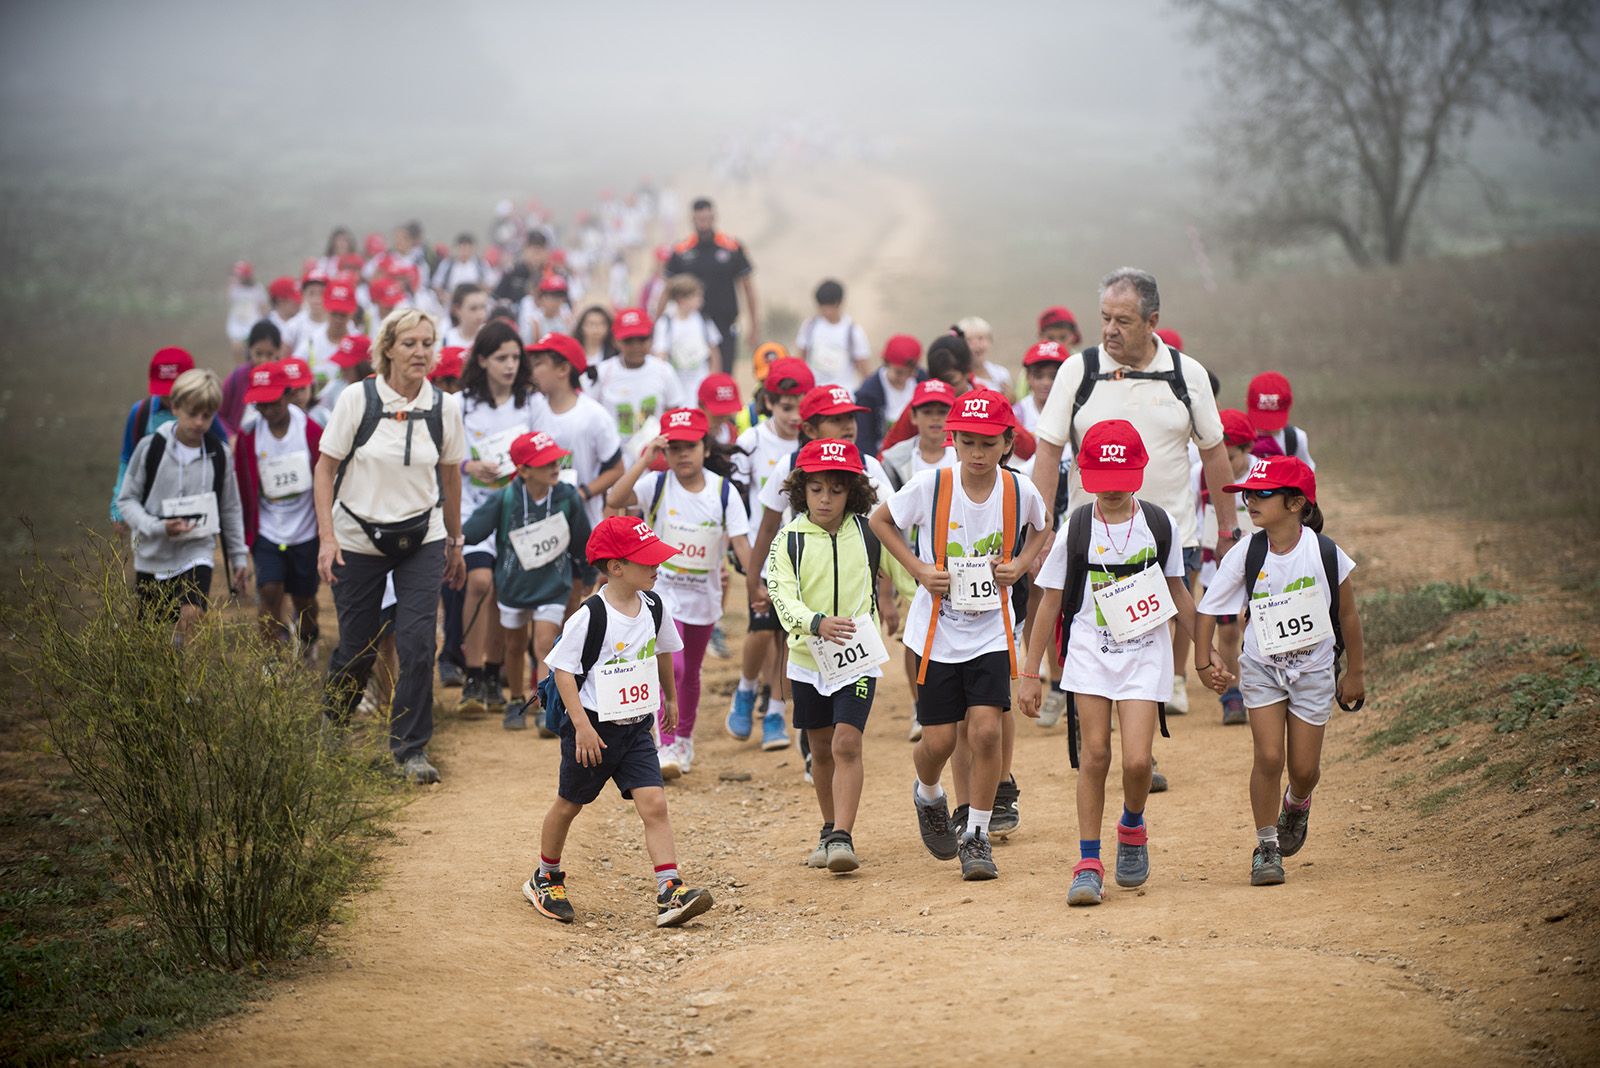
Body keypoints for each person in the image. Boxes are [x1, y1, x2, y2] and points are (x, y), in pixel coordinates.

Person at [1029, 268, 1240, 740]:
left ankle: (1141, 752)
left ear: (1153, 321)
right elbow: (1048, 451)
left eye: (1122, 320)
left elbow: (1214, 453)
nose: (1109, 330)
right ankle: (1103, 744)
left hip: (1170, 539)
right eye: (1104, 318)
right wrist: (1043, 532)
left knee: (1152, 648)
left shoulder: (1187, 375)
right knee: (1100, 645)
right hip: (1093, 540)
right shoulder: (1077, 371)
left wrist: (1228, 533)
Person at [1018, 420, 1201, 906]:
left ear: (1139, 473)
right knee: (1094, 754)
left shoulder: (1159, 524)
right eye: (1102, 478)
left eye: (1121, 477)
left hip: (1145, 652)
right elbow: (1049, 604)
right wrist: (1030, 672)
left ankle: (1132, 823)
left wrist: (1205, 651)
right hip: (1089, 654)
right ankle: (1088, 861)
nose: (1113, 488)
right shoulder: (1077, 528)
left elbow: (1178, 591)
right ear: (1086, 475)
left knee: (1139, 760)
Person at [871, 389, 1048, 882]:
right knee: (940, 740)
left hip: (992, 629)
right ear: (953, 441)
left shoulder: (1018, 490)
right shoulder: (931, 485)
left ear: (1008, 443)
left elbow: (1042, 527)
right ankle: (928, 792)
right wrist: (919, 571)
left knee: (987, 730)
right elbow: (880, 520)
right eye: (966, 442)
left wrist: (1019, 565)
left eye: (987, 444)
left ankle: (977, 834)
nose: (976, 453)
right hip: (936, 635)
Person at [524, 516, 715, 929]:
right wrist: (582, 727)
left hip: (636, 727)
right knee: (570, 803)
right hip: (593, 728)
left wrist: (671, 697)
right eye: (647, 561)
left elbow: (665, 651)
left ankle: (670, 888)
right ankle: (545, 876)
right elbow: (562, 671)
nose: (656, 567)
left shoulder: (654, 605)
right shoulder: (589, 616)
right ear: (616, 567)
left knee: (655, 804)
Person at [313, 307, 467, 785]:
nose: (420, 352)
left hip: (422, 536)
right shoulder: (357, 400)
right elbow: (325, 470)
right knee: (358, 647)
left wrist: (456, 542)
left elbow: (451, 476)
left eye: (427, 343)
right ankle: (331, 726)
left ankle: (410, 749)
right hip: (358, 536)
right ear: (387, 349)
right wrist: (327, 537)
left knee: (420, 642)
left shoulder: (445, 408)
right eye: (409, 343)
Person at [1196, 455, 1364, 886]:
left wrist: (1356, 674)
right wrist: (1203, 657)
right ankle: (1267, 846)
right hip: (1262, 668)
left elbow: (1348, 616)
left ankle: (1298, 803)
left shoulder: (1325, 553)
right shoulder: (1247, 552)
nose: (1250, 500)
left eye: (1262, 494)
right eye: (1248, 493)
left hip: (1313, 670)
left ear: (1295, 504)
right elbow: (1209, 607)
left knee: (1304, 769)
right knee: (1269, 756)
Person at [745, 383, 897, 755]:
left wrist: (889, 597)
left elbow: (889, 531)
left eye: (851, 418)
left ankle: (836, 742)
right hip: (804, 579)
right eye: (836, 420)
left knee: (845, 710)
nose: (848, 426)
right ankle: (799, 726)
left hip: (853, 595)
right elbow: (768, 525)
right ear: (810, 429)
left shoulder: (868, 465)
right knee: (798, 651)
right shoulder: (790, 464)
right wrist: (754, 579)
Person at [767, 439, 889, 873]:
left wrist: (929, 592)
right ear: (802, 490)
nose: (825, 498)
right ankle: (828, 826)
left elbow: (906, 573)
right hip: (806, 659)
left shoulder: (870, 532)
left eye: (835, 490)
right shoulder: (789, 540)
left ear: (852, 492)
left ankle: (842, 836)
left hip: (858, 657)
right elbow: (781, 598)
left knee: (846, 742)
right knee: (819, 748)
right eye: (816, 488)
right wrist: (815, 622)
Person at [606, 408, 750, 777]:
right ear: (665, 453)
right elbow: (614, 497)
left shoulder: (723, 492)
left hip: (703, 599)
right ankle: (664, 744)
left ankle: (684, 738)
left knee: (692, 672)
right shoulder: (656, 485)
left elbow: (740, 543)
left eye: (690, 446)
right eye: (674, 448)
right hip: (661, 596)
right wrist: (645, 460)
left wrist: (756, 580)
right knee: (675, 666)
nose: (682, 455)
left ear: (704, 448)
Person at [461, 430, 592, 731]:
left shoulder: (567, 496)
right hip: (513, 585)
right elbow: (473, 531)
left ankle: (546, 705)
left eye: (556, 461)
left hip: (552, 584)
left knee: (545, 641)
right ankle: (515, 698)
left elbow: (582, 539)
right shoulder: (505, 498)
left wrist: (586, 574)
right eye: (545, 463)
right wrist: (451, 545)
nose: (554, 467)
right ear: (523, 470)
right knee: (515, 643)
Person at [116, 368, 249, 641]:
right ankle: (167, 670)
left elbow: (230, 508)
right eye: (192, 414)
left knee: (191, 614)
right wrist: (158, 527)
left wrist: (238, 556)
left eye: (207, 416)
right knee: (151, 636)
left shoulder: (219, 455)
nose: (199, 423)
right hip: (152, 555)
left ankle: (178, 658)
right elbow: (127, 500)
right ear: (175, 407)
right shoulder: (150, 448)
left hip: (196, 549)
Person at [728, 358, 813, 744]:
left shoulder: (810, 445)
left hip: (800, 553)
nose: (793, 416)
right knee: (761, 628)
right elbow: (736, 500)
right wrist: (746, 559)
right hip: (757, 550)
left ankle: (777, 711)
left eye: (801, 406)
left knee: (788, 635)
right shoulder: (751, 443)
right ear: (769, 402)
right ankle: (746, 690)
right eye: (785, 406)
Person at [456, 321, 537, 719]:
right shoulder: (461, 405)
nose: (509, 365)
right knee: (479, 582)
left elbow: (545, 450)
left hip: (518, 511)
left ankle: (492, 672)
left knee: (506, 594)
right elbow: (444, 456)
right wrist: (470, 464)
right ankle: (471, 673)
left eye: (515, 358)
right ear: (482, 359)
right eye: (501, 357)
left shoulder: (529, 404)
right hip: (473, 507)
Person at [234, 360, 323, 658]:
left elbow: (326, 476)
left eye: (272, 402)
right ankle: (270, 659)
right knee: (270, 590)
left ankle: (309, 637)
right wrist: (246, 535)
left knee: (304, 597)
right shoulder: (248, 438)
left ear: (287, 395)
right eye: (260, 405)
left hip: (306, 528)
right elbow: (242, 487)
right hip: (268, 528)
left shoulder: (310, 431)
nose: (267, 411)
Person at [1201, 409, 1262, 726]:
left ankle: (1264, 689)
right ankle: (1232, 695)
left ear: (1247, 450)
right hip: (1219, 568)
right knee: (1226, 628)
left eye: (1232, 457)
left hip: (1261, 569)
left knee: (1259, 625)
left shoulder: (1261, 476)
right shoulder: (1203, 474)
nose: (1225, 464)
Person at [527, 332, 624, 530]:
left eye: (539, 365)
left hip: (582, 523)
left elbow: (617, 469)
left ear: (563, 369)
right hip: (538, 521)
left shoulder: (594, 415)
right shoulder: (532, 409)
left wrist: (582, 493)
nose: (533, 372)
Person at [659, 197, 757, 366]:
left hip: (725, 323)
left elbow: (748, 288)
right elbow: (668, 290)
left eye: (706, 218)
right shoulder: (681, 250)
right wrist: (658, 322)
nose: (703, 222)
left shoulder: (732, 247)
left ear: (714, 217)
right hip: (691, 323)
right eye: (699, 218)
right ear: (692, 219)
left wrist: (754, 325)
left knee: (724, 377)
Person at [111, 346, 195, 530]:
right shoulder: (141, 413)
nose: (169, 396)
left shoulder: (203, 415)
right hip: (149, 510)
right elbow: (127, 459)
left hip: (193, 508)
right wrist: (118, 508)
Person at [593, 308, 682, 447]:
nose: (636, 346)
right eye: (628, 340)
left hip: (653, 455)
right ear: (616, 341)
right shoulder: (603, 372)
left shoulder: (664, 371)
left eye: (642, 339)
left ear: (651, 339)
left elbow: (674, 412)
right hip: (615, 456)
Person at [853, 334, 924, 459]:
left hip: (917, 453)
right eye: (899, 372)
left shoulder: (921, 380)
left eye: (910, 373)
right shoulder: (869, 393)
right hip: (884, 456)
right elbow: (865, 439)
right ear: (886, 364)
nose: (903, 378)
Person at [652, 274, 722, 398]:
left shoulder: (703, 321)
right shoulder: (666, 323)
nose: (701, 300)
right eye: (696, 296)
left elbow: (714, 352)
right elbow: (660, 354)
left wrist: (713, 378)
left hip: (700, 382)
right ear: (681, 299)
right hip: (676, 383)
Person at [880, 378, 957, 489]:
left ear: (952, 415)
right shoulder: (894, 459)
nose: (935, 418)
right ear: (913, 416)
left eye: (942, 412)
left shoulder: (964, 456)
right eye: (927, 412)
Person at [796, 279, 871, 390]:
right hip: (815, 392)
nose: (826, 311)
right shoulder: (809, 326)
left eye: (830, 306)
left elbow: (863, 368)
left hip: (844, 394)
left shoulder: (853, 332)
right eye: (822, 306)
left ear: (839, 303)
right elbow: (800, 359)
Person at [219, 320, 283, 440]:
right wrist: (231, 437)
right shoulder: (237, 377)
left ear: (278, 352)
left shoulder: (283, 381)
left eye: (269, 355)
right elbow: (220, 414)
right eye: (258, 354)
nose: (263, 360)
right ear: (249, 349)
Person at [295, 278, 359, 389]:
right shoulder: (311, 342)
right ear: (326, 308)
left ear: (352, 312)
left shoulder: (359, 343)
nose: (338, 319)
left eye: (343, 314)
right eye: (334, 313)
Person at [1247, 371, 1315, 467]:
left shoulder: (1294, 439)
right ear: (1246, 403)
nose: (1266, 428)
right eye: (1261, 419)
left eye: (1273, 420)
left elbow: (1307, 475)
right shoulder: (1238, 437)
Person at [1013, 340, 1066, 433]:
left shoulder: (1074, 411)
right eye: (1038, 376)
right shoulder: (1018, 414)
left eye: (1054, 377)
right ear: (1028, 377)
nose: (1046, 383)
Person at [955, 316, 1013, 399]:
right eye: (969, 340)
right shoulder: (958, 379)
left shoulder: (1001, 373)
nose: (976, 345)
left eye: (981, 338)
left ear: (990, 341)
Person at [226, 261, 267, 364]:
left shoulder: (257, 288)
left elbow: (263, 306)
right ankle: (239, 369)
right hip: (237, 323)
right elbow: (229, 298)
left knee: (253, 350)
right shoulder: (234, 287)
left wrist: (264, 322)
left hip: (252, 322)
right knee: (237, 348)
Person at [431, 232, 490, 297]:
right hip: (451, 299)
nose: (465, 252)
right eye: (462, 248)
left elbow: (489, 284)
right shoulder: (447, 264)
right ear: (457, 248)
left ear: (472, 249)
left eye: (468, 249)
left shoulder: (480, 264)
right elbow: (437, 284)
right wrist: (443, 296)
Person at [518, 274, 572, 344]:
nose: (556, 301)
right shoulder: (534, 322)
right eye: (552, 296)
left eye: (560, 296)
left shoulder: (568, 320)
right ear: (542, 298)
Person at [440, 283, 489, 351]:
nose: (480, 314)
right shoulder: (447, 338)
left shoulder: (490, 336)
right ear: (457, 309)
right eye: (473, 308)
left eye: (483, 307)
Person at [573, 305, 618, 369]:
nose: (596, 329)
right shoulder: (573, 352)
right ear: (582, 326)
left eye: (601, 324)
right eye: (591, 324)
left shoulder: (615, 353)